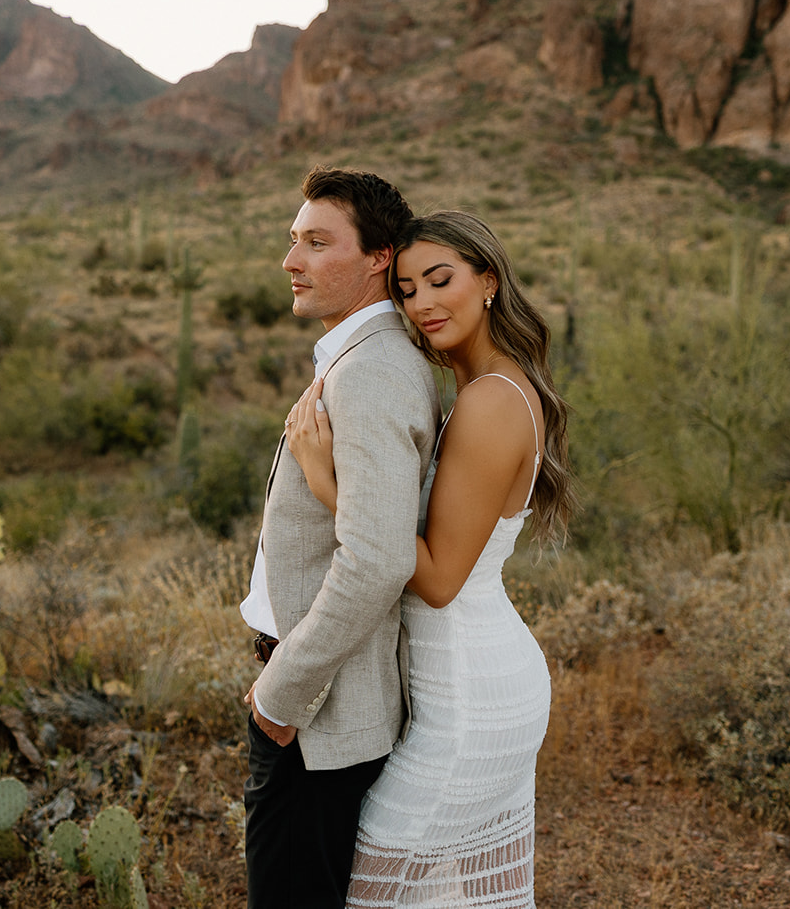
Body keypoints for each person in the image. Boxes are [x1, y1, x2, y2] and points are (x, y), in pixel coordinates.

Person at [285, 210, 576, 908]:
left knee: (378, 891)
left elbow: (441, 579)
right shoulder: (489, 388)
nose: (421, 303)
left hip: (470, 694)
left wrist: (329, 485)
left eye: (440, 280)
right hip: (471, 679)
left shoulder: (490, 402)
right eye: (409, 288)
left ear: (488, 282)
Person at [240, 166, 442, 909]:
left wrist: (280, 694)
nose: (292, 260)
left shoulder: (373, 372)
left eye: (317, 242)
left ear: (378, 257)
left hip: (319, 717)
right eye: (293, 240)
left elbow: (378, 558)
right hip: (313, 707)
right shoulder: (358, 359)